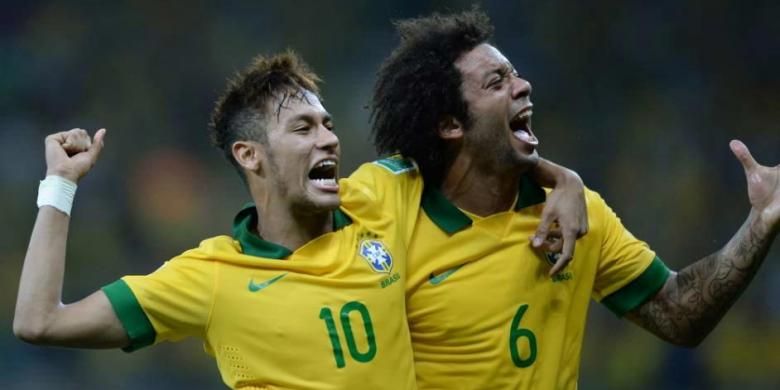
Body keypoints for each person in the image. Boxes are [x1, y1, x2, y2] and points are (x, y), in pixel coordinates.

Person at [13, 52, 586, 388]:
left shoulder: (379, 195)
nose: (330, 138)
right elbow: (39, 322)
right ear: (250, 155)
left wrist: (563, 181)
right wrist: (60, 186)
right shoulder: (209, 277)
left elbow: (477, 145)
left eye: (328, 123)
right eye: (304, 129)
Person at [370, 9, 780, 389]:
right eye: (497, 83)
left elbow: (680, 314)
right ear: (450, 124)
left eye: (514, 74)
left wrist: (760, 222)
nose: (523, 85)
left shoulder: (576, 214)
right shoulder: (392, 210)